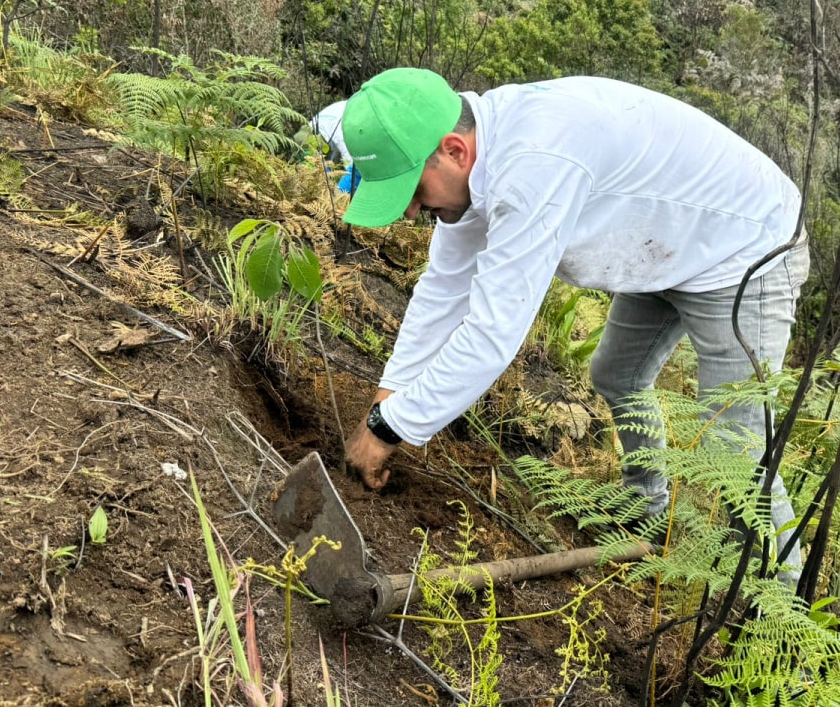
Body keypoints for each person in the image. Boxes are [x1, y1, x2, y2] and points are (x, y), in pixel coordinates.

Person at [341, 68, 809, 578]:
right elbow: (443, 289)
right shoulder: (475, 162)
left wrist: (389, 429)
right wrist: (387, 398)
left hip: (746, 248)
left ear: (455, 151)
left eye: (412, 189)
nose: (410, 211)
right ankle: (647, 512)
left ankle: (788, 632)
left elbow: (491, 335)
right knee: (618, 374)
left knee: (734, 456)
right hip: (664, 244)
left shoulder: (533, 164)